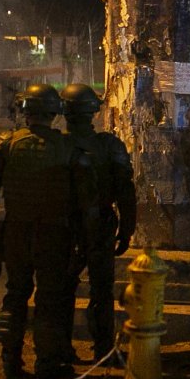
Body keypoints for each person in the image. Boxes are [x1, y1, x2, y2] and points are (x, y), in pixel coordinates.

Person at [0, 84, 99, 379]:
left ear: (25, 110)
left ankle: (10, 360)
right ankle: (47, 363)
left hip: (15, 232)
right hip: (54, 235)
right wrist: (87, 242)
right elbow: (87, 204)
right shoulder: (70, 149)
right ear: (55, 113)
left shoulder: (6, 144)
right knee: (49, 299)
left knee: (16, 293)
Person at [60, 83, 137, 364]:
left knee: (62, 288)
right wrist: (126, 230)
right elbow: (125, 191)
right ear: (94, 111)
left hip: (63, 228)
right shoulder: (109, 145)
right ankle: (104, 351)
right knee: (101, 290)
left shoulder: (56, 145)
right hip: (100, 226)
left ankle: (59, 350)